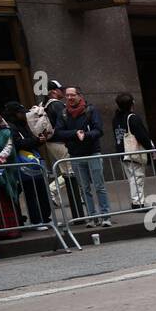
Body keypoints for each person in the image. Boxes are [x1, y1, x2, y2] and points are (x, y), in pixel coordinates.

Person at [56, 86, 112, 227]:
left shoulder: (91, 110)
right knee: (84, 188)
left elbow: (98, 130)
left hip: (93, 152)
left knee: (99, 186)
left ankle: (105, 216)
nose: (69, 98)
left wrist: (85, 135)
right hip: (75, 155)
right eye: (67, 95)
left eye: (72, 95)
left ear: (79, 95)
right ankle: (93, 217)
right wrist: (76, 133)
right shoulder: (63, 113)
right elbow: (59, 133)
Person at [4, 101, 52, 230]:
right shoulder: (10, 127)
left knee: (41, 190)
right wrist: (36, 140)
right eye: (21, 113)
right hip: (23, 164)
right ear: (14, 114)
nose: (24, 115)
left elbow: (29, 141)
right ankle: (36, 220)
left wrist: (39, 141)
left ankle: (45, 218)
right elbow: (17, 143)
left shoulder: (22, 125)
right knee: (31, 192)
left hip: (32, 161)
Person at [113, 92, 152, 209]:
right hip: (134, 151)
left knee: (132, 177)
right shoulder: (132, 117)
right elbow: (142, 136)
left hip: (122, 151)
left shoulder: (116, 118)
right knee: (138, 177)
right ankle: (138, 202)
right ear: (132, 103)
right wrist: (151, 148)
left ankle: (136, 201)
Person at [0, 103, 23, 244]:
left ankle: (11, 230)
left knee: (7, 196)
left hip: (4, 170)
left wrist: (0, 158)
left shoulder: (5, 129)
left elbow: (9, 146)